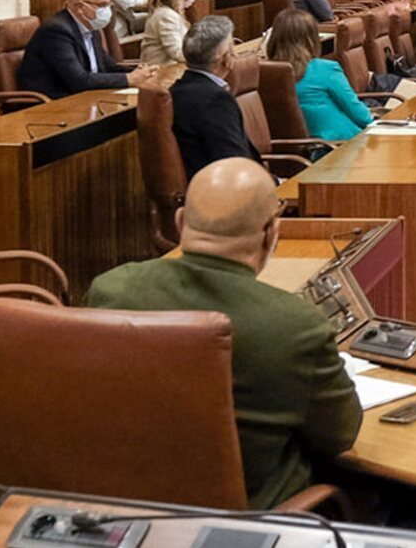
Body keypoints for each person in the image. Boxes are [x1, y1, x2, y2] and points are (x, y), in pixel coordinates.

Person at [87, 158, 362, 509]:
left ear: (181, 222)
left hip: (125, 511)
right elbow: (340, 434)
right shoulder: (296, 325)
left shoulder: (111, 290)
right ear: (270, 235)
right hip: (249, 522)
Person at [16, 0, 156, 98]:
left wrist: (141, 72)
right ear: (81, 8)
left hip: (85, 98)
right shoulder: (56, 31)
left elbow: (107, 67)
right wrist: (128, 79)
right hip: (53, 106)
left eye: (109, 5)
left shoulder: (90, 26)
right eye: (102, 5)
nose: (107, 10)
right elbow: (78, 81)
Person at [169, 15, 261, 178]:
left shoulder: (177, 89)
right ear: (227, 58)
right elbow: (234, 162)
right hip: (225, 192)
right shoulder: (215, 100)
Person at [266, 10, 372, 141]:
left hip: (305, 152)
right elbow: (361, 116)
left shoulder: (266, 75)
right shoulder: (325, 69)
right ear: (311, 39)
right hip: (343, 146)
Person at [141, 0, 198, 67]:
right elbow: (177, 53)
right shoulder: (166, 15)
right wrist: (206, 56)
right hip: (162, 73)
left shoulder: (170, 12)